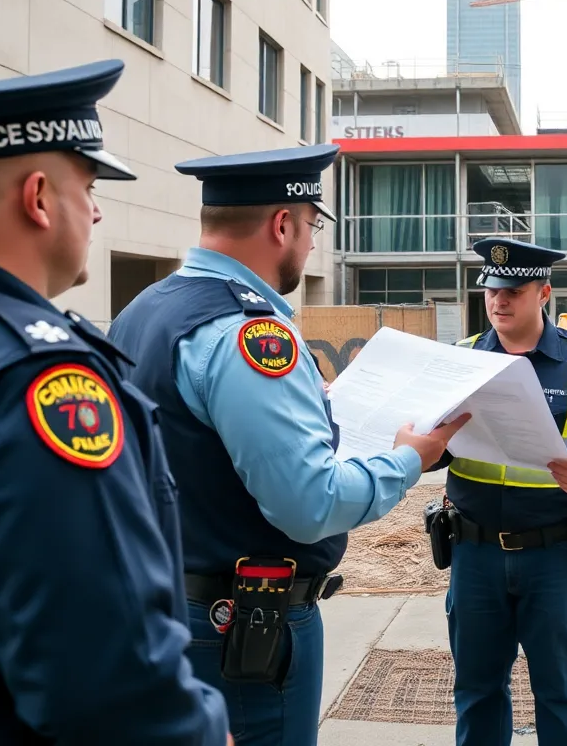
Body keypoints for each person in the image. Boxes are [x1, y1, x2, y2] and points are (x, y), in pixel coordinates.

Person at [106, 143, 468, 746]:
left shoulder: (147, 308)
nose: (312, 244)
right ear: (282, 224)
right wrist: (410, 459)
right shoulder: (252, 335)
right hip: (243, 629)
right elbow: (309, 506)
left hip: (164, 600)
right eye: (311, 227)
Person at [0, 61, 231, 743]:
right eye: (88, 186)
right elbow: (113, 688)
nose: (95, 209)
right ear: (37, 198)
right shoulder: (34, 380)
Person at [434, 237, 567, 746]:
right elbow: (441, 448)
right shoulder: (459, 361)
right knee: (477, 688)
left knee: (559, 689)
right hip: (474, 553)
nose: (498, 300)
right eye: (491, 289)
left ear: (544, 293)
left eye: (513, 289)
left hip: (554, 555)